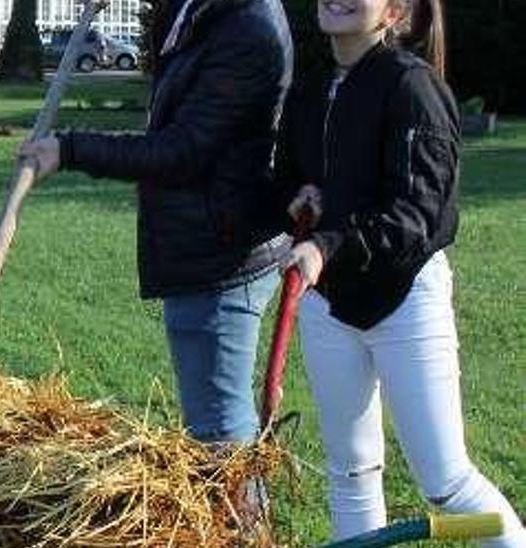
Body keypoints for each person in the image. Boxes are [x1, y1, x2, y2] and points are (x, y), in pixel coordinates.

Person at [275, 0, 526, 544]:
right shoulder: (311, 90)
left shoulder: (414, 88)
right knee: (350, 474)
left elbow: (418, 214)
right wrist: (298, 197)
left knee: (447, 483)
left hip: (405, 298)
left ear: (393, 12)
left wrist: (328, 244)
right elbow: (288, 178)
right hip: (330, 305)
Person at [18, 0, 293, 446]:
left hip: (221, 253)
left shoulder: (248, 27)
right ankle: (231, 514)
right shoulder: (200, 10)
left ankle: (242, 518)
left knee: (219, 430)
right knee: (210, 422)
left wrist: (69, 150)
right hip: (200, 243)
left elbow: (182, 151)